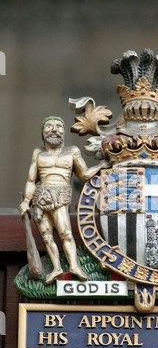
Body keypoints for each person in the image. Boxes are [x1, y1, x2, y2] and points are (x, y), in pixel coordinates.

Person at [19, 116, 102, 284]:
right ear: (43, 132)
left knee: (66, 233)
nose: (54, 130)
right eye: (49, 127)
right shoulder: (38, 153)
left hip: (61, 196)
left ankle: (74, 266)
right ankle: (57, 267)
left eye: (58, 126)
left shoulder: (72, 152)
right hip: (41, 198)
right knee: (46, 235)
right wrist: (26, 201)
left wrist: (103, 165)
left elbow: (84, 175)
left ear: (64, 131)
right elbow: (31, 180)